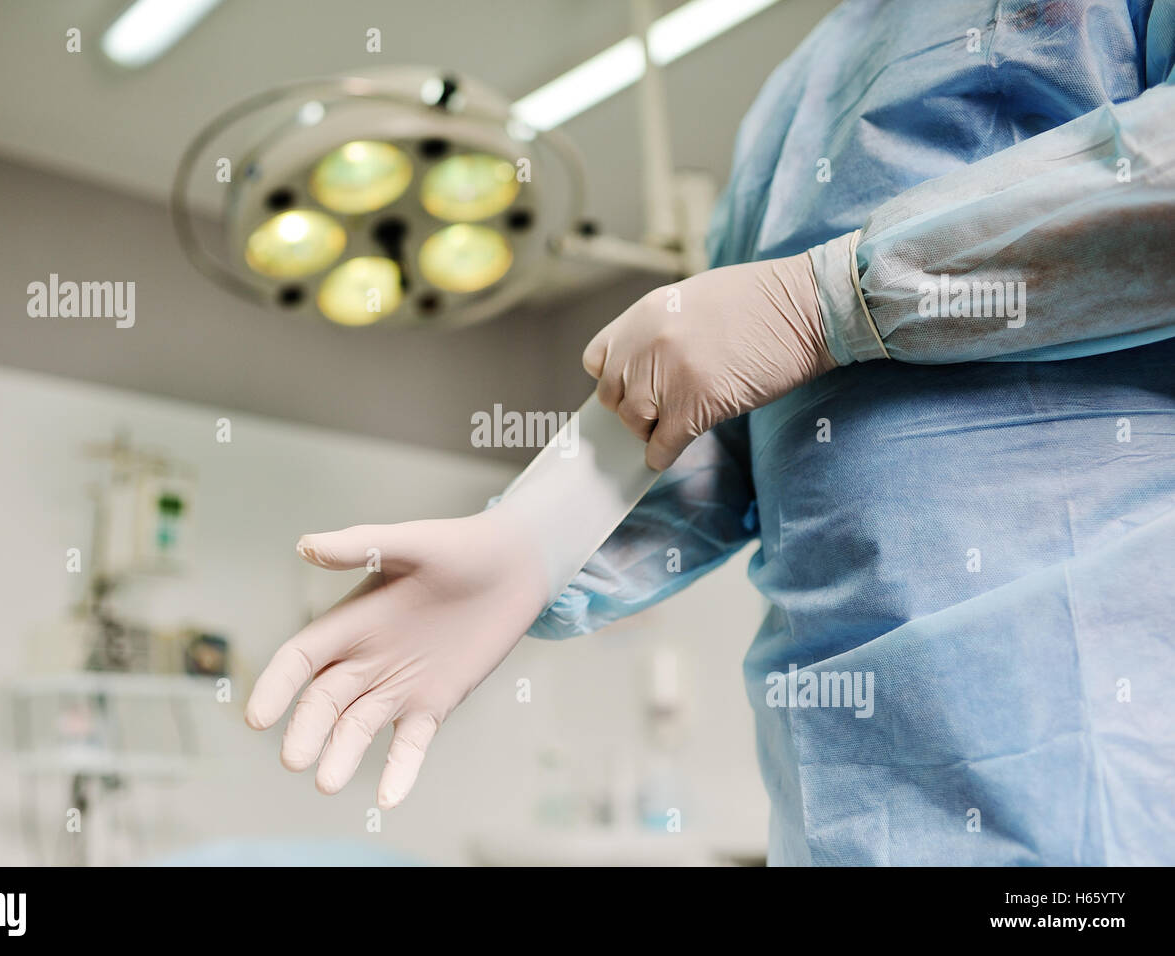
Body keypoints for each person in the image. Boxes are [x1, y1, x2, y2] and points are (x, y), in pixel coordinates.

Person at [247, 0, 1175, 865]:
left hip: (1091, 749)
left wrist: (834, 296)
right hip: (842, 793)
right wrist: (535, 543)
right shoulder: (790, 98)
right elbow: (729, 415)